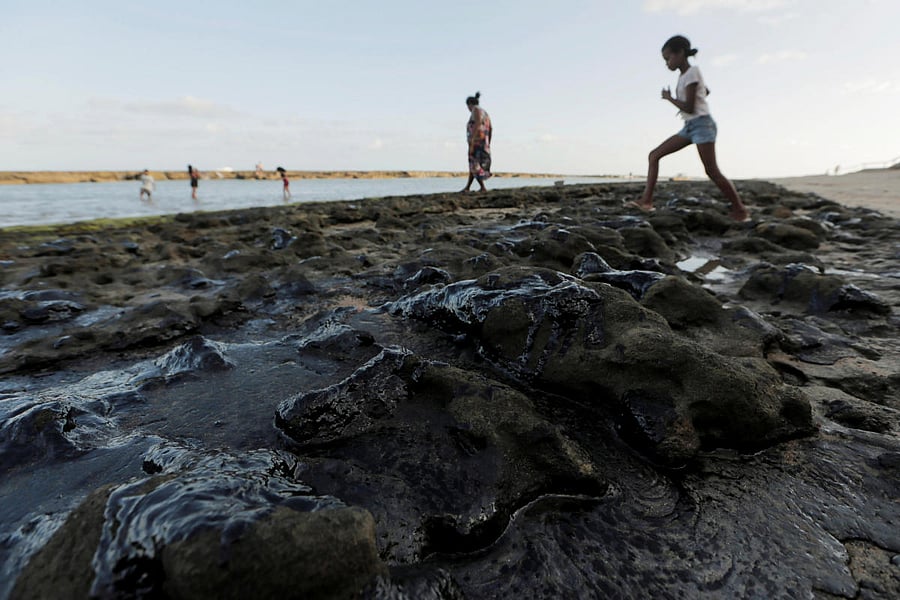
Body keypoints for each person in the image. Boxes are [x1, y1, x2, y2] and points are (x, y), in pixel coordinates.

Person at [633, 35, 748, 221]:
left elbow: (690, 107)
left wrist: (669, 98)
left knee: (712, 171)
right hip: (690, 127)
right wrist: (700, 91)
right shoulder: (685, 76)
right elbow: (705, 91)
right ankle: (646, 201)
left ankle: (740, 210)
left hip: (702, 124)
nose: (667, 63)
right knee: (654, 155)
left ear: (680, 53)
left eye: (668, 58)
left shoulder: (692, 72)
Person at [462, 91, 492, 193]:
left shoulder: (476, 110)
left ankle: (481, 187)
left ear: (469, 104)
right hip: (483, 143)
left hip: (477, 143)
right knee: (475, 164)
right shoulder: (485, 113)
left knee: (474, 164)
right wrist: (489, 143)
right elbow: (491, 128)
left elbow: (478, 123)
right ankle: (469, 187)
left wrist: (473, 139)